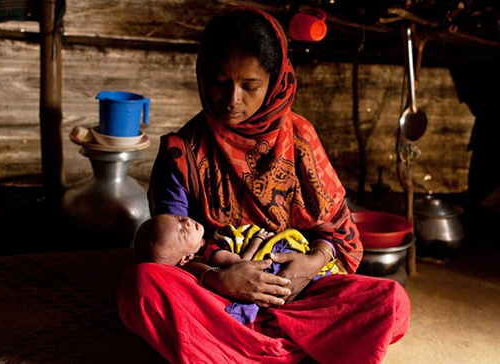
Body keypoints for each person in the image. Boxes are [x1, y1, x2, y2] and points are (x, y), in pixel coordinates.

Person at [117, 6, 410, 364]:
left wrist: (311, 263)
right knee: (141, 287)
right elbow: (168, 250)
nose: (232, 100)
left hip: (298, 292)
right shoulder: (184, 152)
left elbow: (341, 236)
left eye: (250, 86)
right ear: (202, 75)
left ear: (275, 81)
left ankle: (234, 352)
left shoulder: (300, 138)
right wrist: (218, 279)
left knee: (393, 303)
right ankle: (286, 351)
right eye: (219, 82)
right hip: (217, 295)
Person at [134, 214, 346, 325]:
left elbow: (339, 227)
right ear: (187, 257)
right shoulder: (213, 252)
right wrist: (257, 240)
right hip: (272, 266)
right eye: (182, 231)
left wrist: (317, 257)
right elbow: (243, 265)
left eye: (180, 219)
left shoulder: (210, 245)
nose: (187, 221)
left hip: (307, 259)